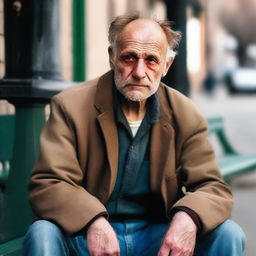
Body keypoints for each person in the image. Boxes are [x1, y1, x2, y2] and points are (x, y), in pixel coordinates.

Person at [22, 14, 246, 256]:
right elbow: (48, 182)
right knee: (42, 232)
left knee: (229, 234)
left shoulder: (186, 114)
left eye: (151, 60)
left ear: (166, 66)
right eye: (129, 57)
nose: (139, 72)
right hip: (86, 235)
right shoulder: (71, 106)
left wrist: (188, 217)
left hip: (157, 238)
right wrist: (92, 221)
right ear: (112, 57)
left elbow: (213, 187)